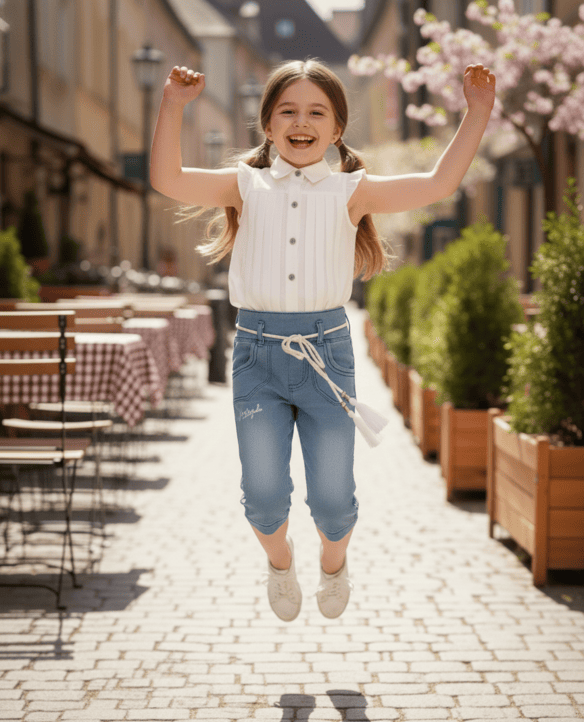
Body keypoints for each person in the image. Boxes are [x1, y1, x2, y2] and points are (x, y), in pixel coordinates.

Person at [150, 58, 495, 623]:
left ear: (337, 129)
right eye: (287, 110)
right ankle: (280, 563)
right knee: (263, 498)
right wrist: (172, 105)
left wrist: (476, 112)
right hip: (258, 353)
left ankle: (334, 565)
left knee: (333, 503)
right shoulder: (245, 184)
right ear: (267, 124)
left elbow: (439, 184)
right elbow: (168, 178)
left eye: (317, 111)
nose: (301, 121)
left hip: (326, 355)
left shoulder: (351, 192)